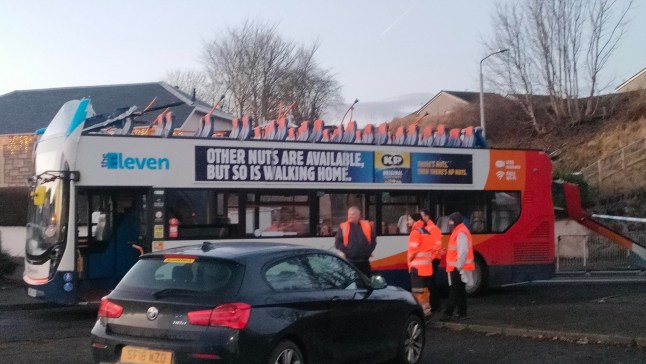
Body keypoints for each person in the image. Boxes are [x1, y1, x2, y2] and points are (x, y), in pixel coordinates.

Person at [441, 212, 475, 321]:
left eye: (451, 221)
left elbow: (462, 252)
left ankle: (448, 313)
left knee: (454, 291)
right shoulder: (460, 231)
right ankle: (462, 313)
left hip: (457, 267)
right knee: (460, 291)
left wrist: (459, 266)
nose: (450, 223)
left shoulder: (460, 232)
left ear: (455, 221)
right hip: (458, 266)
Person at [335, 206, 377, 277]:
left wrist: (368, 251)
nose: (350, 216)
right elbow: (337, 243)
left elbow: (373, 240)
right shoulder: (343, 226)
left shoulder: (367, 225)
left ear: (358, 215)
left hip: (364, 262)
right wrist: (348, 252)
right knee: (353, 284)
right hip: (350, 262)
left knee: (366, 283)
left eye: (353, 214)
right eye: (349, 214)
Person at [407, 213, 433, 317]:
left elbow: (413, 251)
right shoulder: (426, 232)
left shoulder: (415, 233)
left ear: (414, 220)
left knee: (417, 293)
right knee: (424, 292)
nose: (407, 221)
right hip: (426, 268)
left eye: (409, 219)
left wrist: (409, 260)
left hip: (417, 269)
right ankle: (427, 312)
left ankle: (420, 315)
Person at [420, 209, 444, 314]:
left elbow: (437, 246)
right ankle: (434, 305)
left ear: (427, 216)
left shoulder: (433, 229)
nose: (421, 218)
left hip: (433, 260)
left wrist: (431, 258)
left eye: (422, 216)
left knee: (431, 283)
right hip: (430, 259)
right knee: (430, 283)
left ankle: (436, 305)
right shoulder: (427, 228)